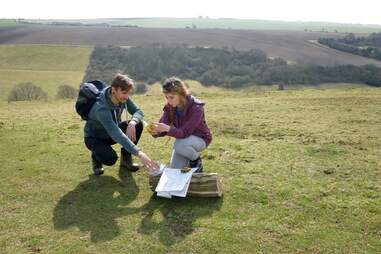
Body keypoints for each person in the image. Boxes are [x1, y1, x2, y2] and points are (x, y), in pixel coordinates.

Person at [83, 73, 158, 175]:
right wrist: (139, 153)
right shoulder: (101, 108)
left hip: (111, 132)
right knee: (110, 158)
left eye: (128, 93)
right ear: (114, 90)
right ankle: (96, 157)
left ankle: (126, 160)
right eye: (124, 93)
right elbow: (116, 134)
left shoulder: (122, 98)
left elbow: (138, 112)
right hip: (95, 138)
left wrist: (132, 122)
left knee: (138, 124)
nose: (127, 96)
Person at [150, 77, 212, 172]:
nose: (169, 101)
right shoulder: (170, 107)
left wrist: (168, 129)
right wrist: (156, 132)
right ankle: (190, 164)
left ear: (181, 94)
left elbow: (184, 132)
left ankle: (196, 161)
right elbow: (164, 125)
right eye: (166, 97)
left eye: (171, 97)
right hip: (183, 142)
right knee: (174, 170)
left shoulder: (197, 108)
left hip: (200, 140)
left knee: (178, 144)